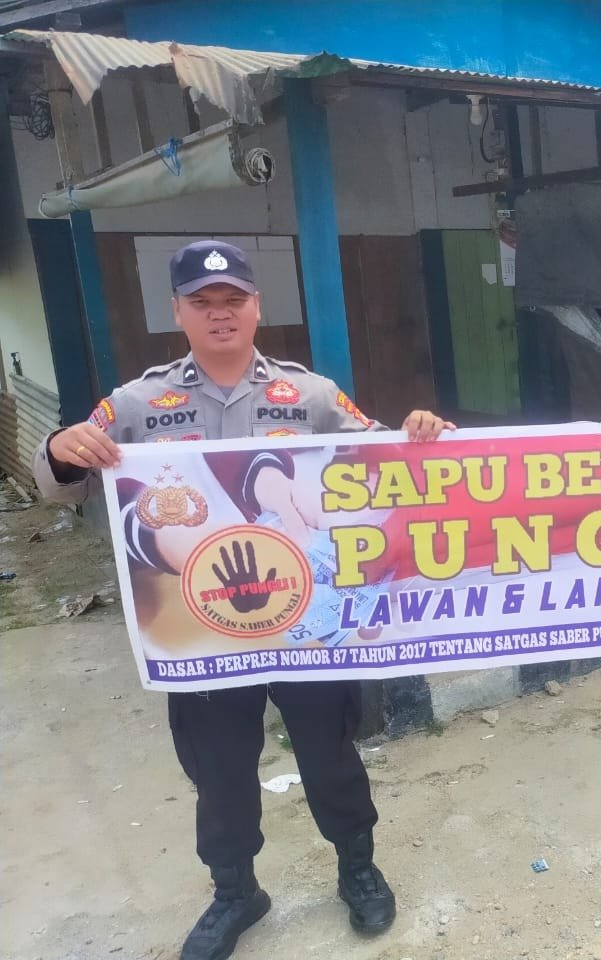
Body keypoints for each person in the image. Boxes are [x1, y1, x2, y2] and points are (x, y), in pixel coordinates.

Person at [32, 240, 455, 960]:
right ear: (178, 311)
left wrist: (421, 434)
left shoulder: (311, 395)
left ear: (257, 306)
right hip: (205, 628)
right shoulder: (138, 402)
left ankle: (357, 868)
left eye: (234, 300)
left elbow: (380, 463)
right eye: (203, 302)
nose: (220, 314)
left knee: (329, 752)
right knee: (220, 768)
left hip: (305, 623)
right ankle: (235, 892)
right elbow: (56, 483)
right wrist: (61, 447)